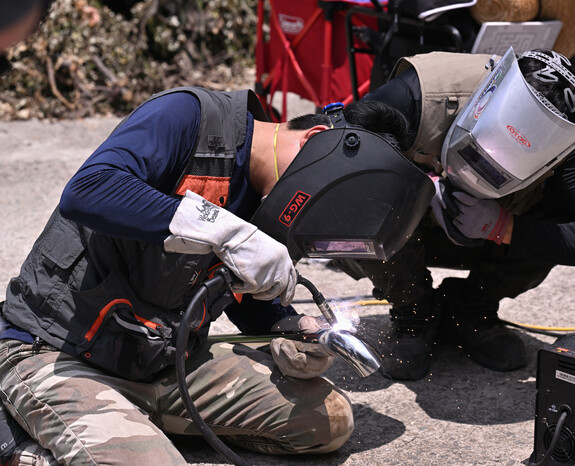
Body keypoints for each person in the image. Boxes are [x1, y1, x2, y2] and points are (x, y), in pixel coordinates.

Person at [0, 87, 411, 464]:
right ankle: (25, 445)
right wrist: (222, 228)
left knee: (328, 421)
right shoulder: (187, 117)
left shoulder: (270, 197)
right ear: (311, 139)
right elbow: (88, 190)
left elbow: (245, 298)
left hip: (161, 360)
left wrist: (292, 330)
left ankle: (123, 427)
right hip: (56, 350)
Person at [335, 49, 575, 381]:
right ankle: (413, 313)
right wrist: (419, 186)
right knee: (354, 195)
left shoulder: (574, 135)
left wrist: (503, 226)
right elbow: (335, 161)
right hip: (408, 230)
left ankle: (469, 309)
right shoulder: (422, 92)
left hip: (485, 233)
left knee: (563, 215)